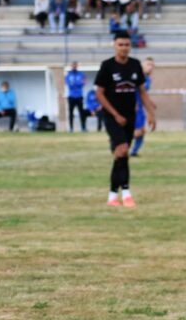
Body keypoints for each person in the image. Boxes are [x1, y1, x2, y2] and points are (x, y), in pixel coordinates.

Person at [95, 31, 156, 207]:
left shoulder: (135, 65)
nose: (124, 48)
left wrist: (150, 113)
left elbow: (142, 91)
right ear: (115, 45)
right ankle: (127, 193)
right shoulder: (107, 66)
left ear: (130, 46)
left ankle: (113, 196)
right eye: (120, 44)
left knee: (121, 155)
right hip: (113, 117)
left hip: (130, 116)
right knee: (122, 150)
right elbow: (99, 93)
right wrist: (115, 115)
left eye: (127, 45)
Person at [131, 56, 154, 157]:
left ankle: (134, 151)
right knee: (140, 131)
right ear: (142, 66)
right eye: (148, 64)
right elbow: (131, 90)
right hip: (134, 107)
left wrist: (150, 103)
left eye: (152, 65)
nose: (151, 67)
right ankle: (118, 140)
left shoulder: (148, 79)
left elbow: (143, 94)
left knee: (142, 131)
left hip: (140, 107)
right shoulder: (137, 77)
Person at [65, 61, 87, 132]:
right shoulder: (68, 74)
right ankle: (71, 128)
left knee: (81, 112)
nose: (74, 66)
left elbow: (84, 82)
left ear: (77, 66)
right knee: (71, 113)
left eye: (75, 65)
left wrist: (75, 83)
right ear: (71, 66)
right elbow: (69, 84)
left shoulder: (81, 74)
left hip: (79, 96)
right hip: (71, 96)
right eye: (73, 65)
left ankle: (83, 128)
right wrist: (78, 83)